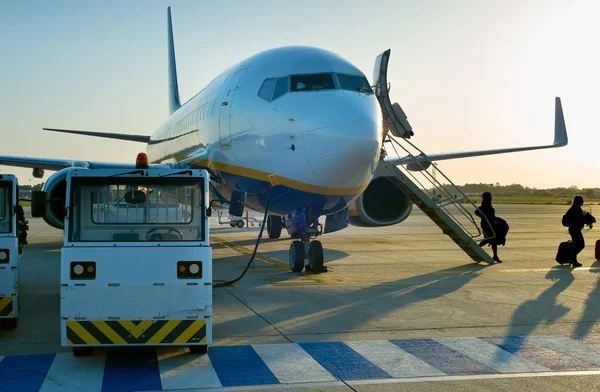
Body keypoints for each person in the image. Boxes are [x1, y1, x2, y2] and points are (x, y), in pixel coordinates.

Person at [475, 192, 507, 263]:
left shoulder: (488, 204)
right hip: (486, 224)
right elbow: (476, 212)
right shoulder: (485, 204)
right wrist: (483, 217)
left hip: (491, 224)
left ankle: (495, 256)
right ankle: (476, 248)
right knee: (488, 238)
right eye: (490, 196)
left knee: (493, 239)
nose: (491, 197)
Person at [563, 195, 595, 267]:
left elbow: (580, 218)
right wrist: (588, 220)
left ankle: (573, 260)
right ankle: (571, 257)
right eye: (582, 201)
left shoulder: (575, 208)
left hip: (574, 229)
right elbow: (579, 220)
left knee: (576, 244)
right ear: (579, 202)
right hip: (575, 230)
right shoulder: (576, 209)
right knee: (581, 245)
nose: (583, 202)